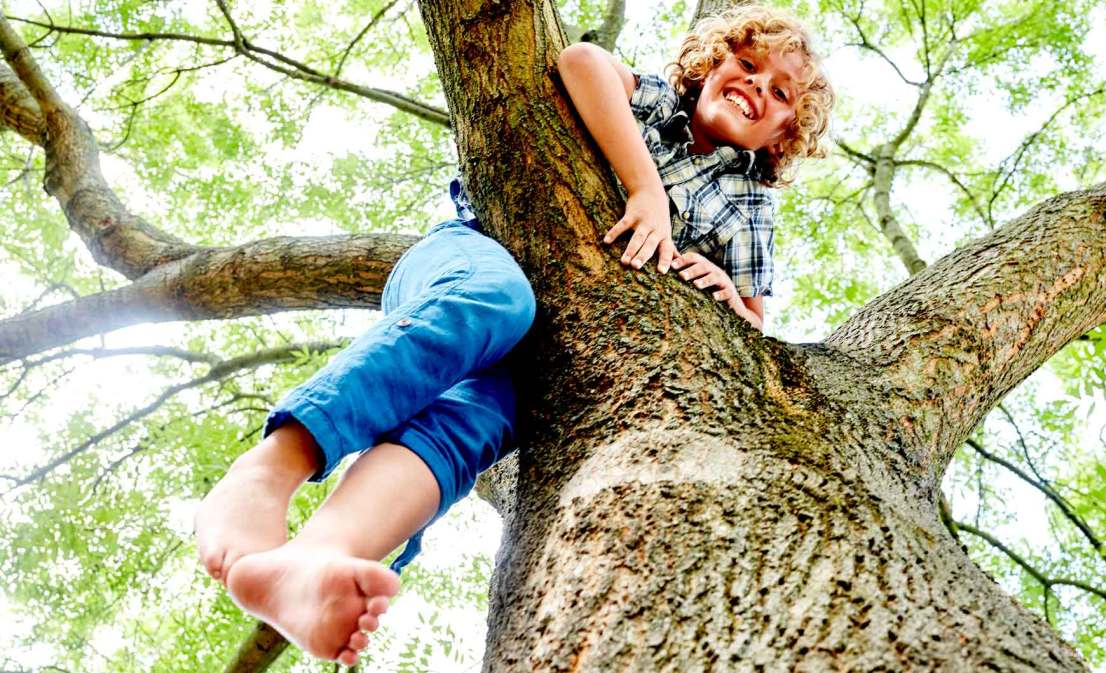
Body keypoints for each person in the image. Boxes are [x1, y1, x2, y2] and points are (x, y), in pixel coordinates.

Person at [194, 4, 833, 666]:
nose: (758, 85)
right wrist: (646, 190)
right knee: (495, 300)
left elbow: (755, 325)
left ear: (785, 131)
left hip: (549, 349)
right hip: (474, 254)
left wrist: (727, 293)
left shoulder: (751, 204)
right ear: (707, 69)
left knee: (478, 425)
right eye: (747, 65)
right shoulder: (654, 102)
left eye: (780, 92)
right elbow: (580, 61)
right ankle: (274, 465)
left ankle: (319, 555)